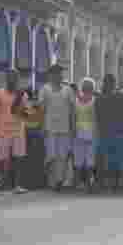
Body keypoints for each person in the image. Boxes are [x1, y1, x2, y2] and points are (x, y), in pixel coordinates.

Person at [39, 64, 74, 192]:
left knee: (62, 156)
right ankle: (52, 180)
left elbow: (72, 110)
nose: (59, 75)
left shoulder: (68, 90)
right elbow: (42, 110)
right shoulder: (45, 89)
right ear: (51, 75)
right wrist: (42, 126)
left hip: (65, 128)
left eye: (60, 73)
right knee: (51, 155)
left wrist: (73, 126)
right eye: (56, 73)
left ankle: (59, 181)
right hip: (50, 128)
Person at [0, 71, 28, 193]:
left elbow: (25, 113)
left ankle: (17, 185)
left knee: (19, 159)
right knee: (2, 159)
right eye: (9, 77)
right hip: (3, 130)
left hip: (18, 130)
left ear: (18, 79)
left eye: (14, 78)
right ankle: (1, 181)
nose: (12, 80)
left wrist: (23, 111)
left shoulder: (22, 94)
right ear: (6, 78)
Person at [95, 74, 123, 193]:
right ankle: (119, 184)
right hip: (119, 131)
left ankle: (108, 184)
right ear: (114, 83)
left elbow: (97, 117)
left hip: (105, 132)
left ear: (104, 83)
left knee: (107, 159)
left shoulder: (99, 98)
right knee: (119, 159)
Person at [73, 78, 98, 192]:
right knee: (89, 160)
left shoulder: (76, 100)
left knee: (79, 160)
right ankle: (89, 184)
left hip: (79, 132)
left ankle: (78, 184)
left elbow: (73, 117)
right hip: (91, 132)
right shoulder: (95, 100)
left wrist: (73, 130)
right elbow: (97, 118)